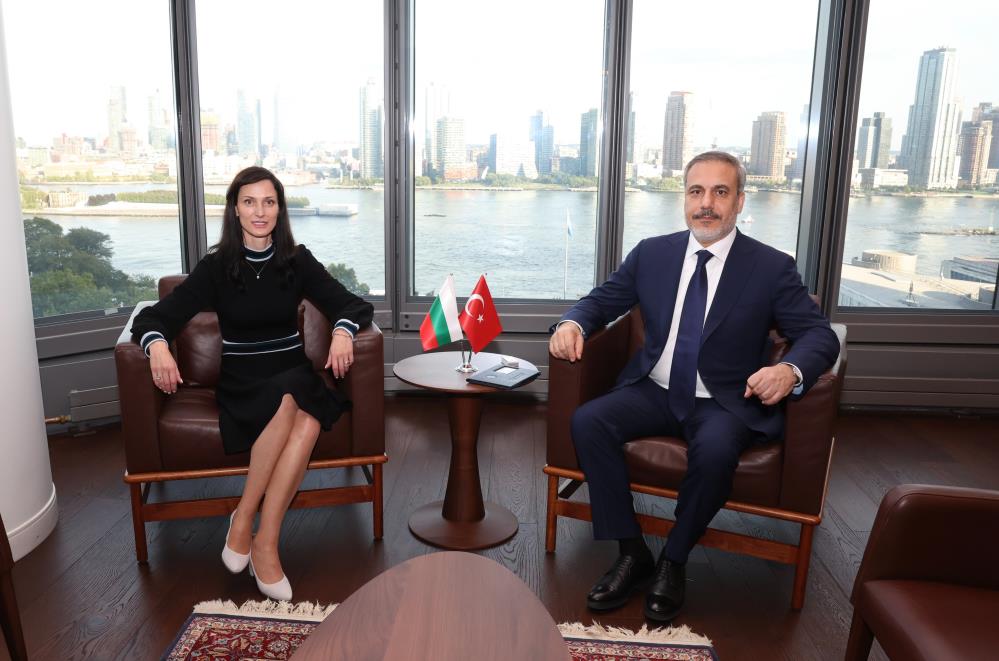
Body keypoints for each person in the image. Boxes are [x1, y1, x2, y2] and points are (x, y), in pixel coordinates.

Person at [549, 151, 839, 622]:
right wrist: (572, 322)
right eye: (696, 192)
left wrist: (789, 371)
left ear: (739, 201)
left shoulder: (770, 267)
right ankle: (631, 551)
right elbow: (601, 300)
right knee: (588, 422)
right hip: (654, 388)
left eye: (720, 192)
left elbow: (819, 335)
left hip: (724, 400)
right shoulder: (652, 254)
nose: (707, 203)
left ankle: (674, 559)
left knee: (717, 452)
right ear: (684, 199)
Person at [131, 166, 373, 601]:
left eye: (268, 202)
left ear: (279, 210)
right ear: (235, 210)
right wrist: (158, 346)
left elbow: (352, 304)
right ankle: (247, 523)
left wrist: (342, 331)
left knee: (304, 413)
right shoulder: (217, 267)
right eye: (249, 202)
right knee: (297, 407)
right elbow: (154, 317)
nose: (259, 211)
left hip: (292, 369)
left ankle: (260, 534)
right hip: (243, 379)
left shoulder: (297, 260)